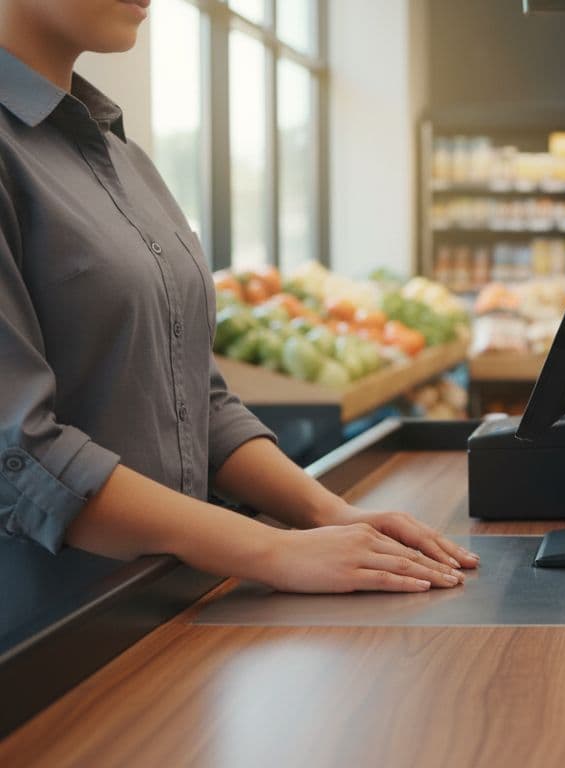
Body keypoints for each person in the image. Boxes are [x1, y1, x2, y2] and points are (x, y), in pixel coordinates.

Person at [0, 0, 477, 592]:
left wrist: (329, 514)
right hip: (51, 644)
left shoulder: (121, 156)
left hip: (170, 610)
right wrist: (272, 550)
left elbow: (195, 398)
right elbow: (17, 454)